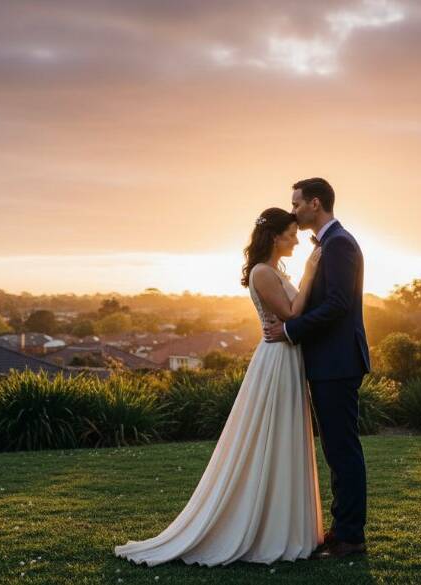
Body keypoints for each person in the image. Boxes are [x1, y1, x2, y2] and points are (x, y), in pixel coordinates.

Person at [114, 207, 325, 566]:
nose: (295, 239)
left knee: (284, 434)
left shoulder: (273, 270)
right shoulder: (262, 272)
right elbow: (291, 314)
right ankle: (262, 526)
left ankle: (287, 524)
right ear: (275, 237)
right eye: (290, 234)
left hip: (288, 357)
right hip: (276, 360)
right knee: (270, 435)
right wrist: (309, 274)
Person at [263, 177, 371, 559]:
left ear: (315, 203)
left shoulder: (339, 244)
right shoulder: (330, 244)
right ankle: (343, 530)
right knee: (337, 450)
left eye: (296, 204)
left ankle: (350, 538)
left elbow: (339, 304)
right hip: (328, 361)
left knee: (342, 450)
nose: (293, 211)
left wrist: (291, 328)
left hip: (337, 362)